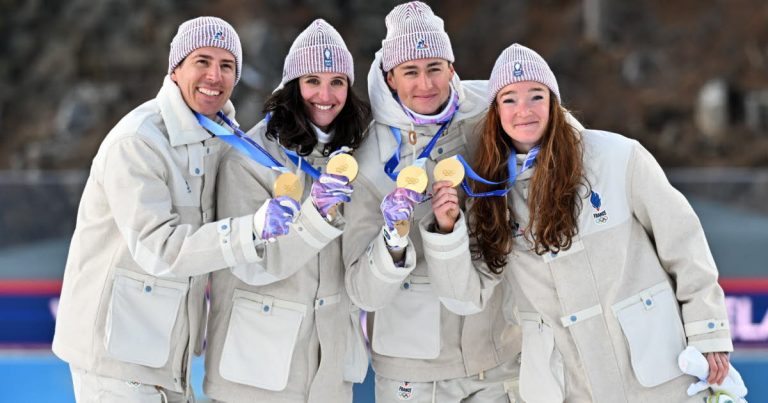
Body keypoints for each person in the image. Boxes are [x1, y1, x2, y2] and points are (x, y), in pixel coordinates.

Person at [421, 43, 733, 402]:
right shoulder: (488, 194)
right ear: (495, 112)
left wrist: (708, 332)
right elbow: (465, 296)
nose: (523, 110)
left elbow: (684, 245)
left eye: (535, 96)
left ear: (553, 102)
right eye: (509, 99)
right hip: (567, 381)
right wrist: (448, 231)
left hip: (655, 369)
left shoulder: (617, 157)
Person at [52, 16, 272, 402]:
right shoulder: (137, 142)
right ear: (175, 68)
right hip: (116, 360)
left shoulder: (222, 141)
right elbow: (160, 249)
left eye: (226, 66)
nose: (214, 76)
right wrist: (251, 230)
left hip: (169, 358)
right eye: (202, 61)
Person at [342, 2, 521, 402]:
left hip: (497, 352)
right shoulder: (366, 155)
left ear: (452, 69)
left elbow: (554, 128)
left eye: (434, 68)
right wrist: (391, 242)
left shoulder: (489, 111)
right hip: (412, 369)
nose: (426, 84)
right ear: (390, 77)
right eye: (410, 71)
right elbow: (361, 292)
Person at [203, 19, 371, 403]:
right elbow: (251, 265)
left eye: (337, 82)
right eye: (312, 80)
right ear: (292, 87)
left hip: (327, 376)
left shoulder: (355, 156)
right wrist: (317, 215)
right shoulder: (248, 159)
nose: (325, 94)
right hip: (255, 377)